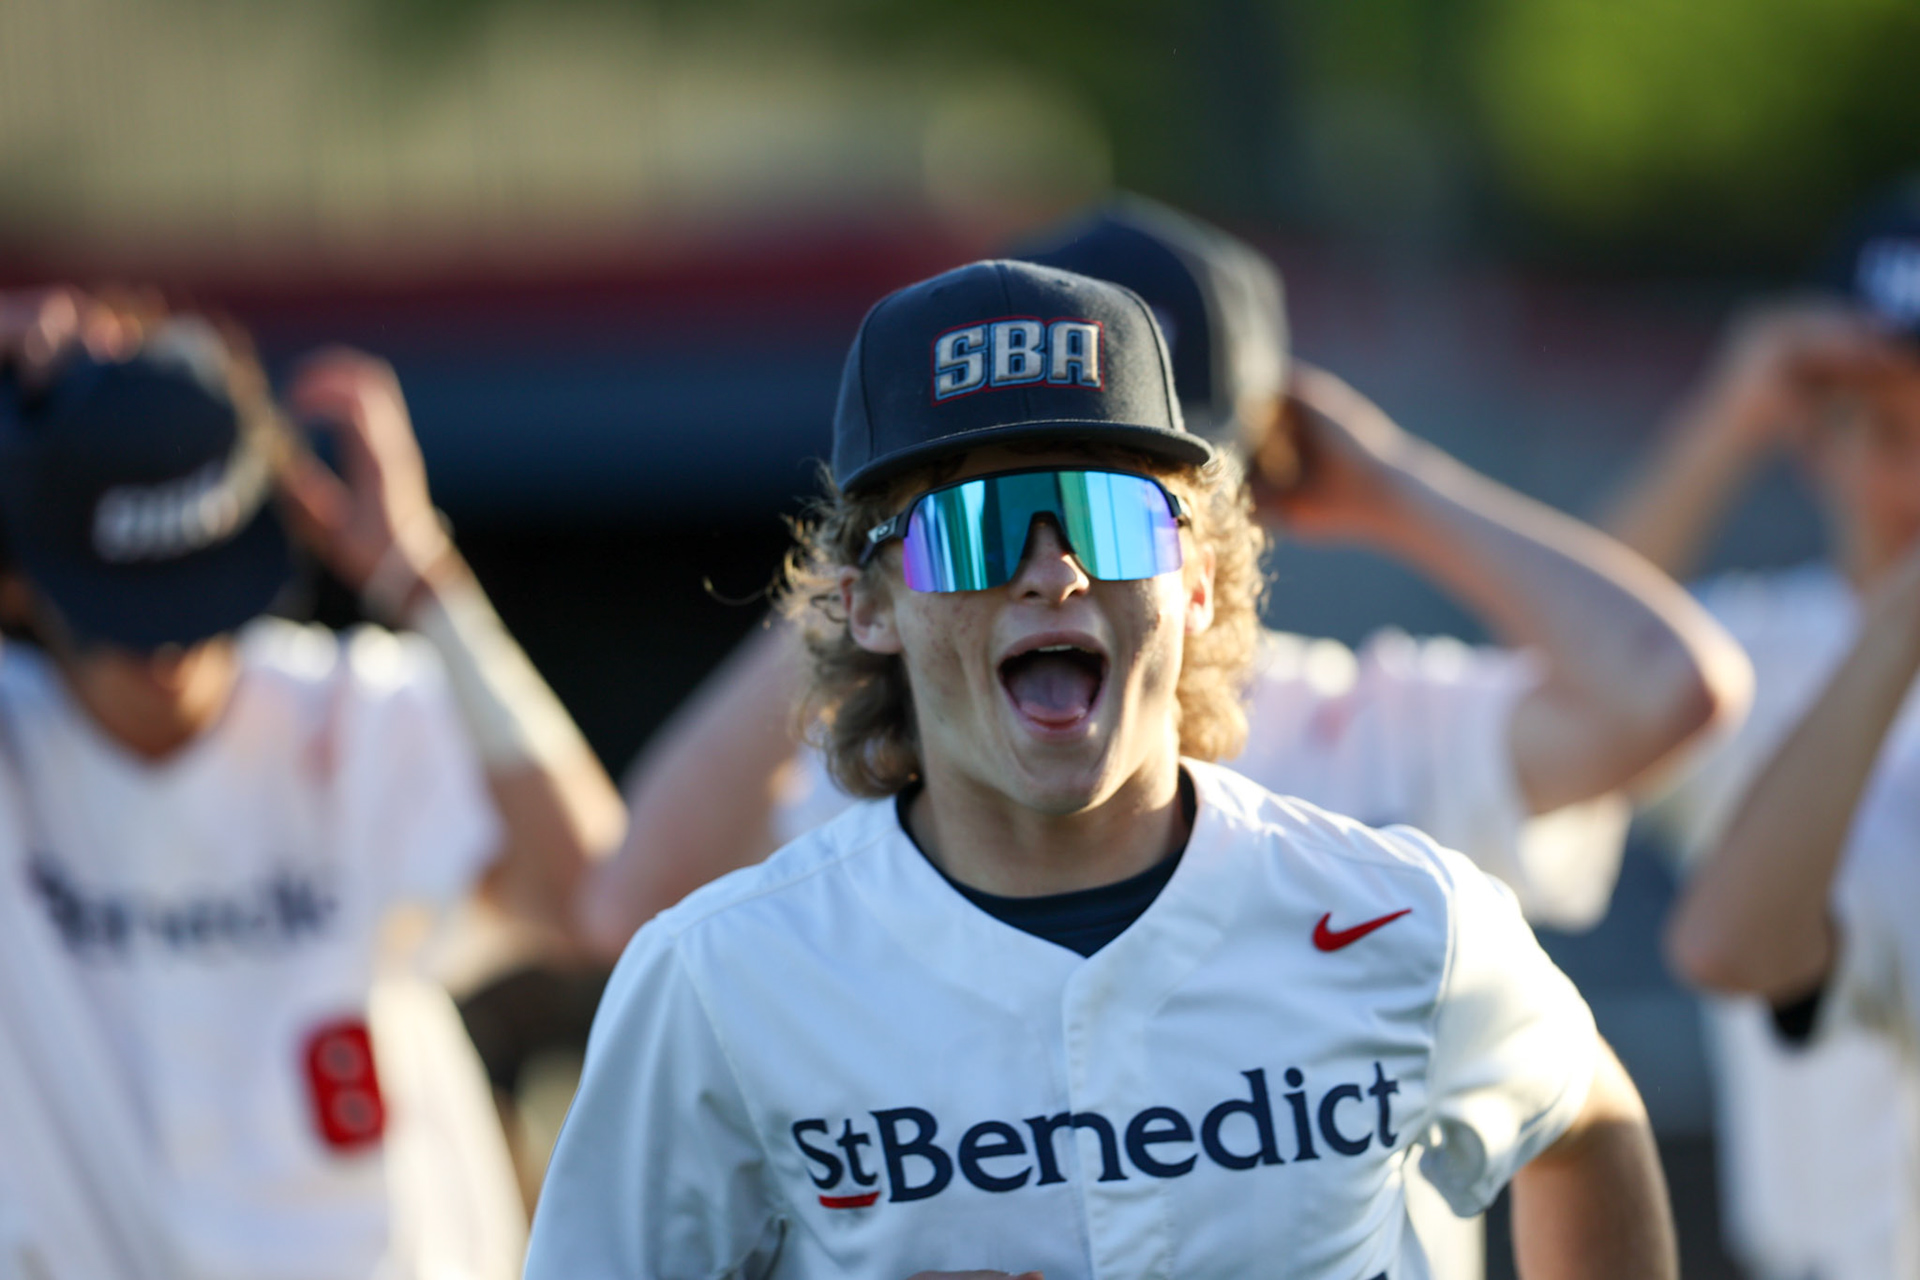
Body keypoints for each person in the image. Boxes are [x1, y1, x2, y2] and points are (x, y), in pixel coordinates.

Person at [591, 200, 1748, 1278]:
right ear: (862, 602)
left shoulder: (1414, 904)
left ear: (1201, 569)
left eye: (1112, 514)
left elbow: (1586, 1113)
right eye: (976, 527)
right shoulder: (717, 971)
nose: (1055, 569)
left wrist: (1392, 477)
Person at [0, 290, 626, 1280]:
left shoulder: (352, 710)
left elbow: (597, 898)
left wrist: (422, 583)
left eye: (194, 593)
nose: (169, 652)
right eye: (123, 608)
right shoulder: (16, 740)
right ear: (22, 577)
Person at [1630, 183, 1920, 1279]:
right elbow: (1559, 677)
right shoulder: (1742, 650)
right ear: (1818, 435)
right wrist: (1727, 416)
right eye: (1888, 427)